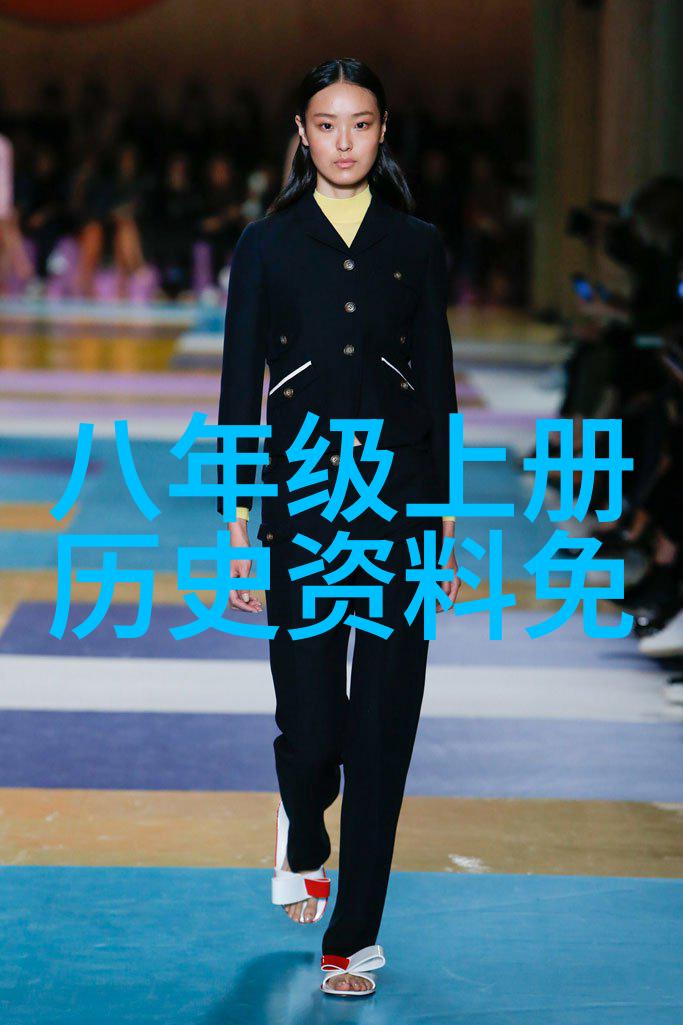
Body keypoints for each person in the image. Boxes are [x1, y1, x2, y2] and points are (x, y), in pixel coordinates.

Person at [216, 58, 460, 997]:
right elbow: (239, 388)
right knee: (313, 726)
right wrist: (240, 526)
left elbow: (436, 384)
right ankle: (304, 825)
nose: (344, 140)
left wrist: (443, 522)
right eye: (327, 124)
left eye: (361, 123)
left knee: (384, 728)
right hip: (307, 499)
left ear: (383, 130)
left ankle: (351, 938)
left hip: (400, 503)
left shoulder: (418, 244)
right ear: (302, 133)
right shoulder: (266, 245)